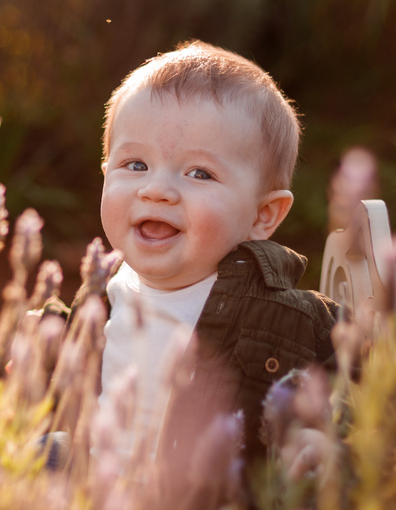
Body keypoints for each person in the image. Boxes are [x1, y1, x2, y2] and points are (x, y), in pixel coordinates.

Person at [79, 40, 339, 472]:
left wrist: (331, 439)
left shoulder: (284, 317)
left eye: (199, 173)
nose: (156, 190)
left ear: (263, 214)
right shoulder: (105, 288)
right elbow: (83, 348)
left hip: (205, 504)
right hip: (95, 491)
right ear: (106, 173)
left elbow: (367, 376)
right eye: (136, 165)